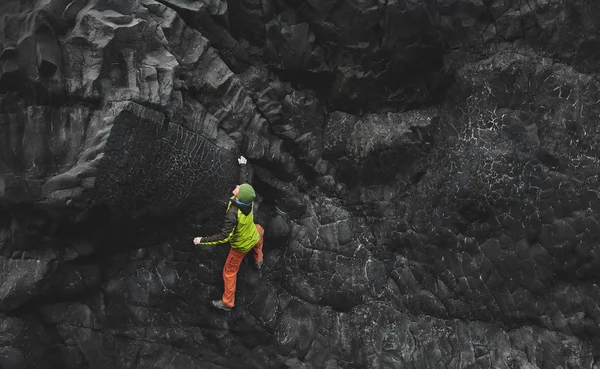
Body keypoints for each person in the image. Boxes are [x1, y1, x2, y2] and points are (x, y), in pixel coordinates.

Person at [193, 155, 264, 311]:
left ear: (238, 197)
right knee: (259, 231)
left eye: (238, 189)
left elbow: (224, 237)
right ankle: (258, 260)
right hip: (253, 234)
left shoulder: (233, 214)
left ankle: (227, 303)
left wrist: (202, 240)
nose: (237, 186)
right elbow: (245, 184)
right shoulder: (248, 201)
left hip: (241, 246)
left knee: (229, 272)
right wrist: (243, 166)